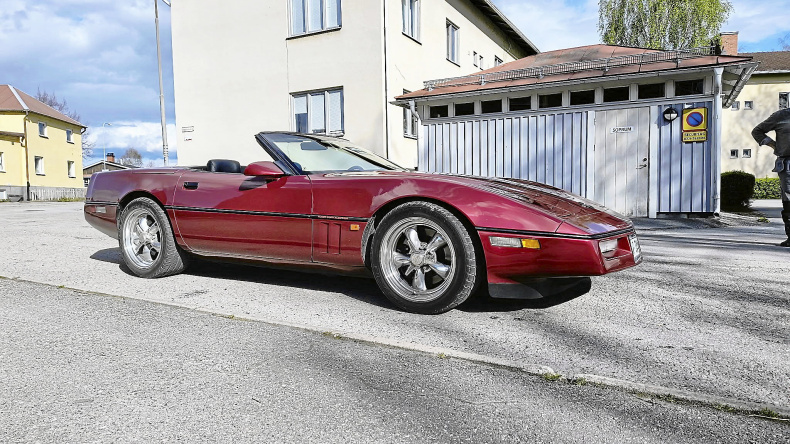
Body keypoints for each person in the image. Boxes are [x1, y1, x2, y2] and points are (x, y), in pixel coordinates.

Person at [752, 107, 790, 247]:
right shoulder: (781, 115)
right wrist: (774, 145)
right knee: (789, 199)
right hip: (787, 163)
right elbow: (757, 131)